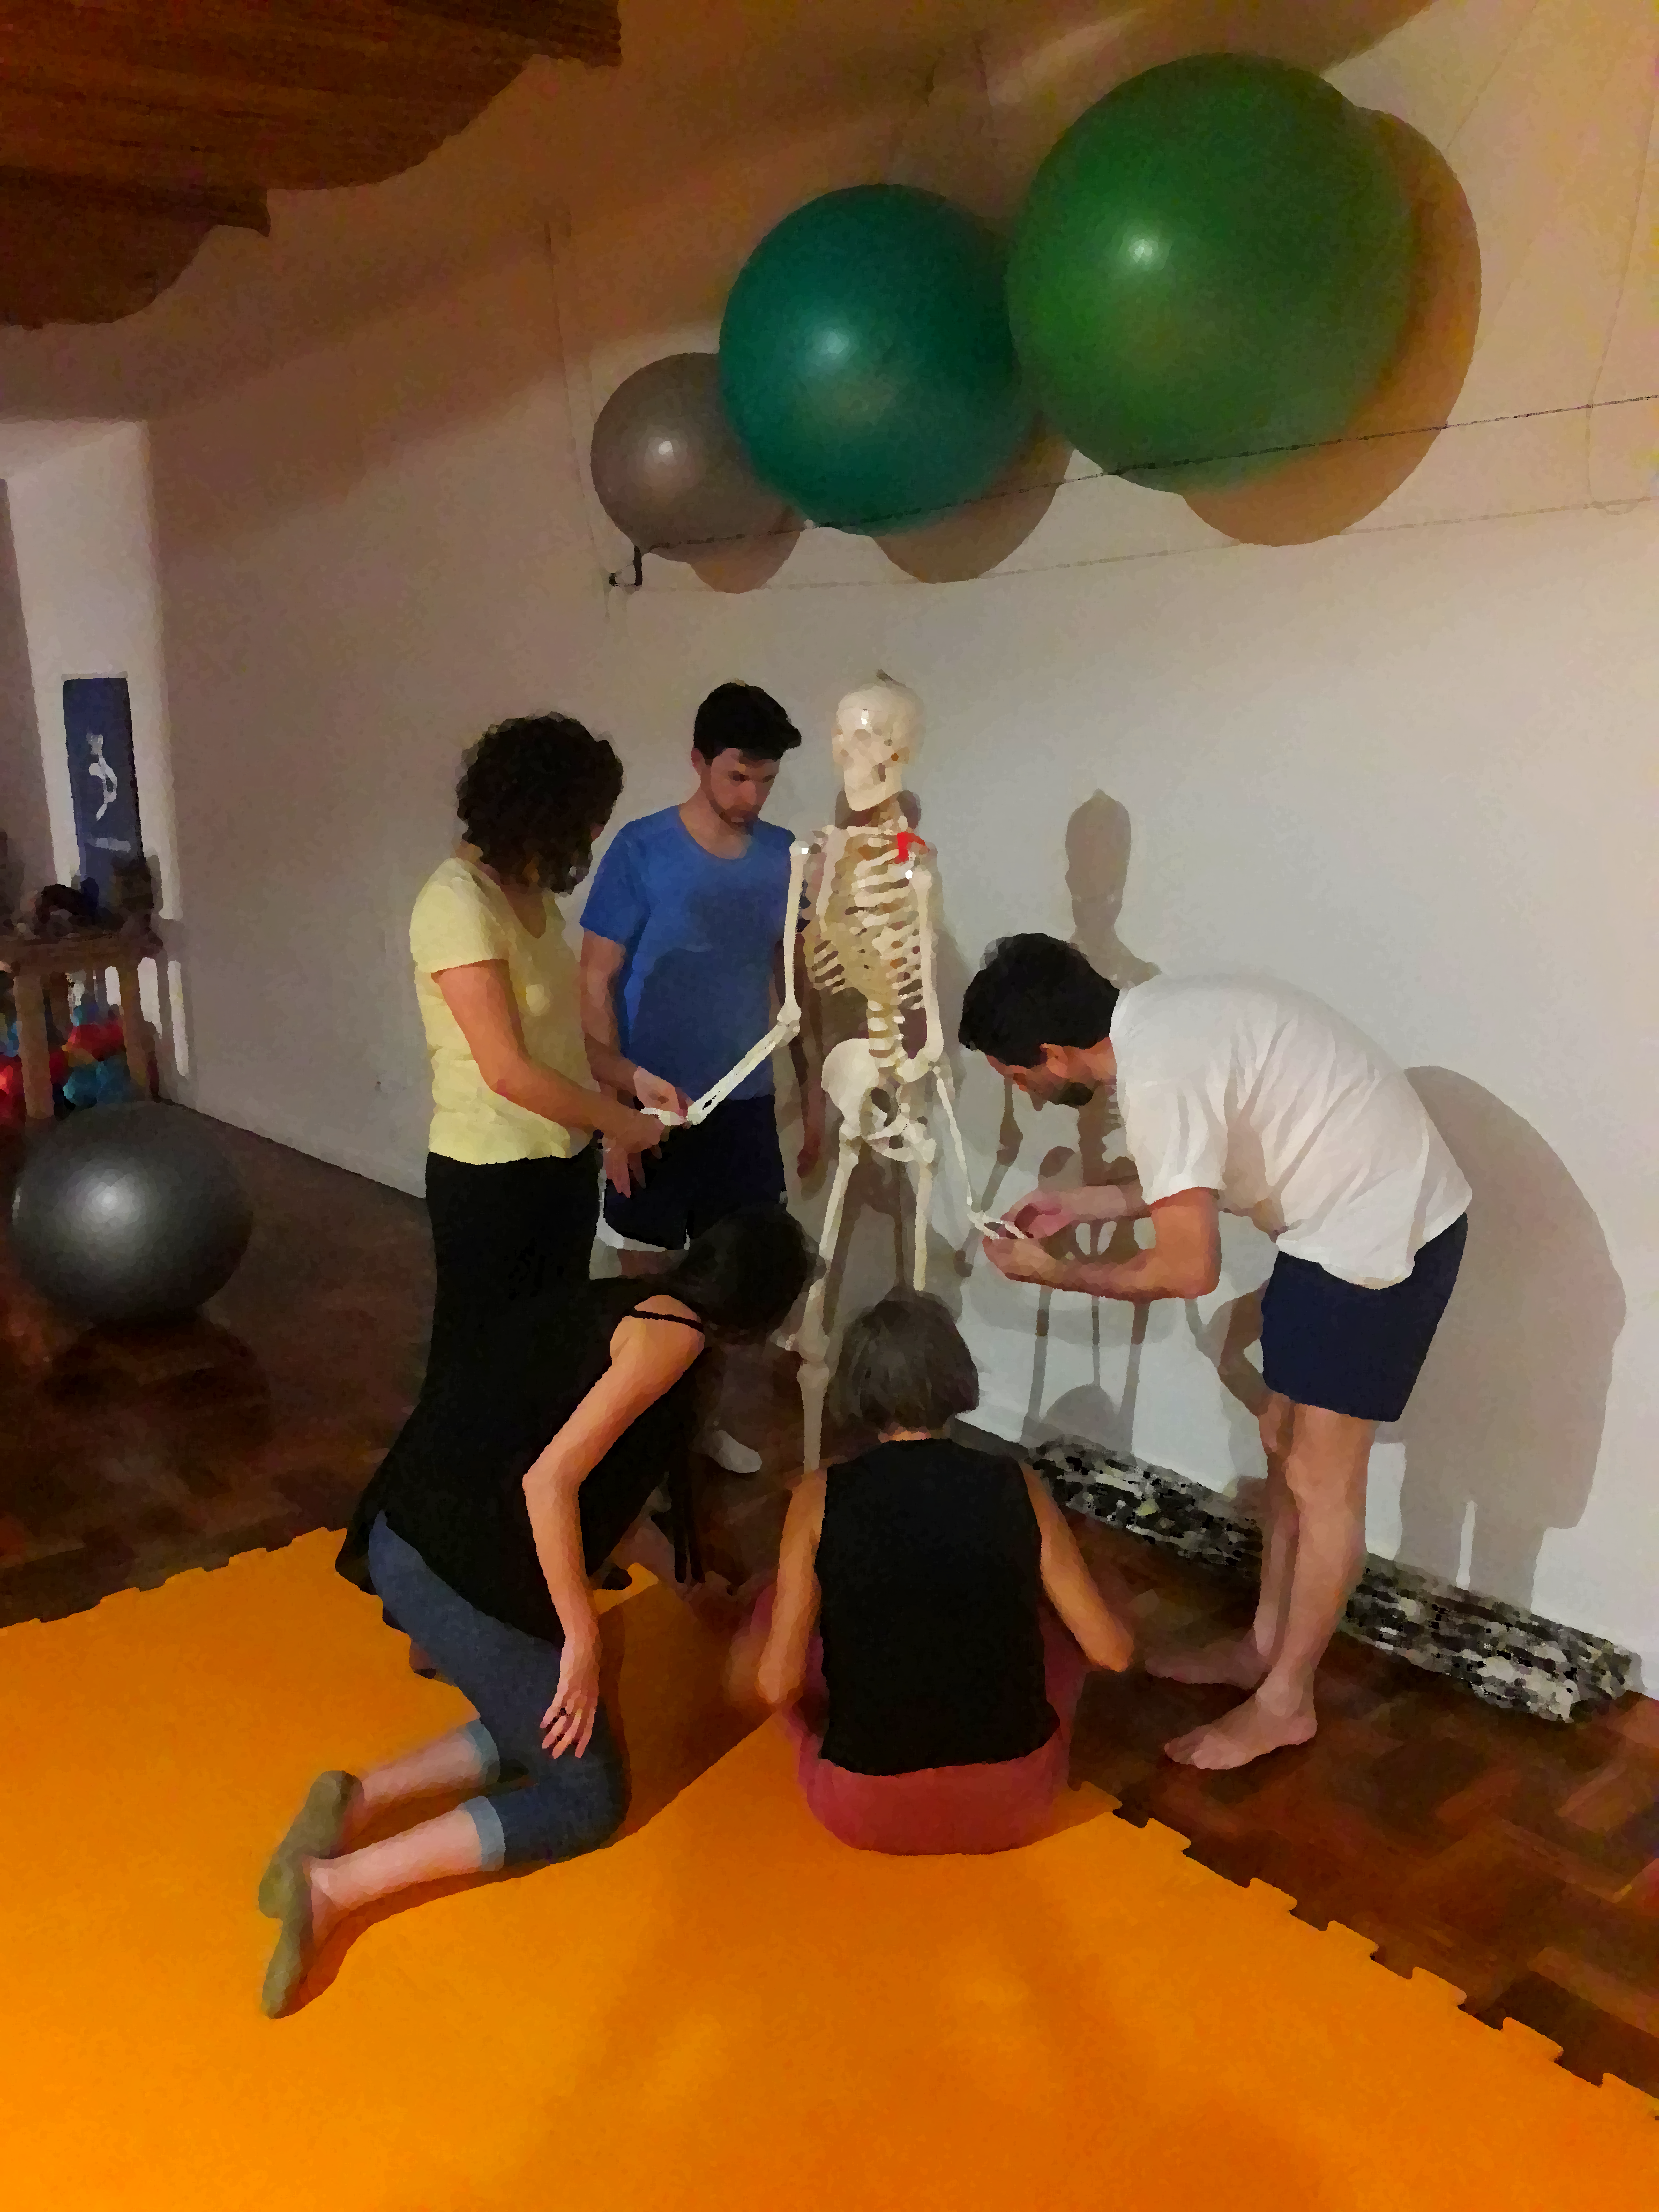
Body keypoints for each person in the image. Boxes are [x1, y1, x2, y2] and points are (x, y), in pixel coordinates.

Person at [260, 1205, 816, 2017]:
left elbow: (599, 1494)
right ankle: (337, 1886)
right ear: (761, 1310)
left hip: (406, 1529)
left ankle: (360, 1797)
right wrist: (579, 1640)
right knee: (587, 1799)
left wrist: (684, 1587)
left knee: (554, 1722)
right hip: (447, 1564)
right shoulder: (673, 1342)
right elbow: (549, 1484)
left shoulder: (629, 1302)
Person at [958, 936, 1470, 1774]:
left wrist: (1057, 1274)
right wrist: (1084, 1204)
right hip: (1333, 1226)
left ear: (1052, 1054)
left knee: (1323, 1483)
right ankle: (1263, 1647)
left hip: (1382, 1238)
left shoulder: (1158, 1075)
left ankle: (1287, 1702)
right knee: (1284, 1449)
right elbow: (1201, 1166)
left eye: (1016, 1076)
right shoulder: (1160, 1021)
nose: (1021, 1091)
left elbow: (1186, 1269)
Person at [733, 1291, 1133, 1855]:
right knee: (1064, 1613)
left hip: (862, 1811)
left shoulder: (818, 1495)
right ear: (955, 1378)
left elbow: (776, 1686)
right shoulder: (1016, 1481)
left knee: (778, 1603)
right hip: (1016, 1805)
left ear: (858, 1390)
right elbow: (1113, 1654)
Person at [410, 712, 680, 1378]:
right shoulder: (456, 902)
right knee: (478, 1363)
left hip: (561, 1161)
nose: (593, 836)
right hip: (490, 1173)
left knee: (548, 1354)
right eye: (587, 819)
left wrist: (630, 1077)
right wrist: (620, 1123)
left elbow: (557, 1036)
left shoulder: (531, 896)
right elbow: (507, 1070)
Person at [579, 682, 820, 1274]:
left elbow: (796, 984)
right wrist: (613, 1119)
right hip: (650, 1101)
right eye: (737, 777)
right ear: (698, 761)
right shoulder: (640, 849)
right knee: (646, 1287)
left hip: (745, 1103)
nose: (752, 796)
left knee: (744, 1282)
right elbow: (594, 983)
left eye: (766, 780)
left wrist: (814, 1098)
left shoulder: (784, 856)